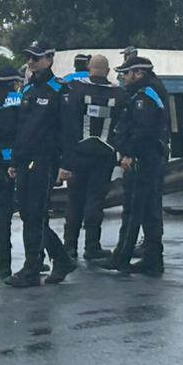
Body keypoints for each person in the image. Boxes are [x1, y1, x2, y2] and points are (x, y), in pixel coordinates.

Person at [7, 42, 74, 287]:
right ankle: (60, 258)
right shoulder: (28, 90)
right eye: (28, 57)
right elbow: (22, 129)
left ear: (49, 59)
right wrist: (15, 160)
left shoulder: (59, 90)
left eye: (35, 58)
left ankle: (32, 267)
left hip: (46, 161)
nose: (31, 62)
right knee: (28, 214)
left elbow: (69, 131)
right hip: (26, 161)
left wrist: (66, 165)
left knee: (35, 214)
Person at [104, 54, 169, 275]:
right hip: (150, 158)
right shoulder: (149, 91)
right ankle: (152, 259)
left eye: (126, 74)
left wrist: (129, 153)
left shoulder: (144, 97)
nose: (123, 78)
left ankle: (121, 257)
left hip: (144, 159)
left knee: (134, 210)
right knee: (149, 211)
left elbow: (143, 131)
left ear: (138, 73)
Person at [60, 53, 119, 262]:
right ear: (108, 71)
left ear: (88, 68)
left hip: (78, 156)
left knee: (74, 201)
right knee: (95, 201)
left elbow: (66, 127)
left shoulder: (75, 91)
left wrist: (64, 161)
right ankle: (92, 246)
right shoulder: (118, 94)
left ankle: (69, 247)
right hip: (104, 157)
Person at [0, 65, 24, 278]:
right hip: (19, 162)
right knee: (30, 211)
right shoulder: (20, 101)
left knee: (2, 214)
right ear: (14, 82)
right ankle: (35, 259)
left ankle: (3, 264)